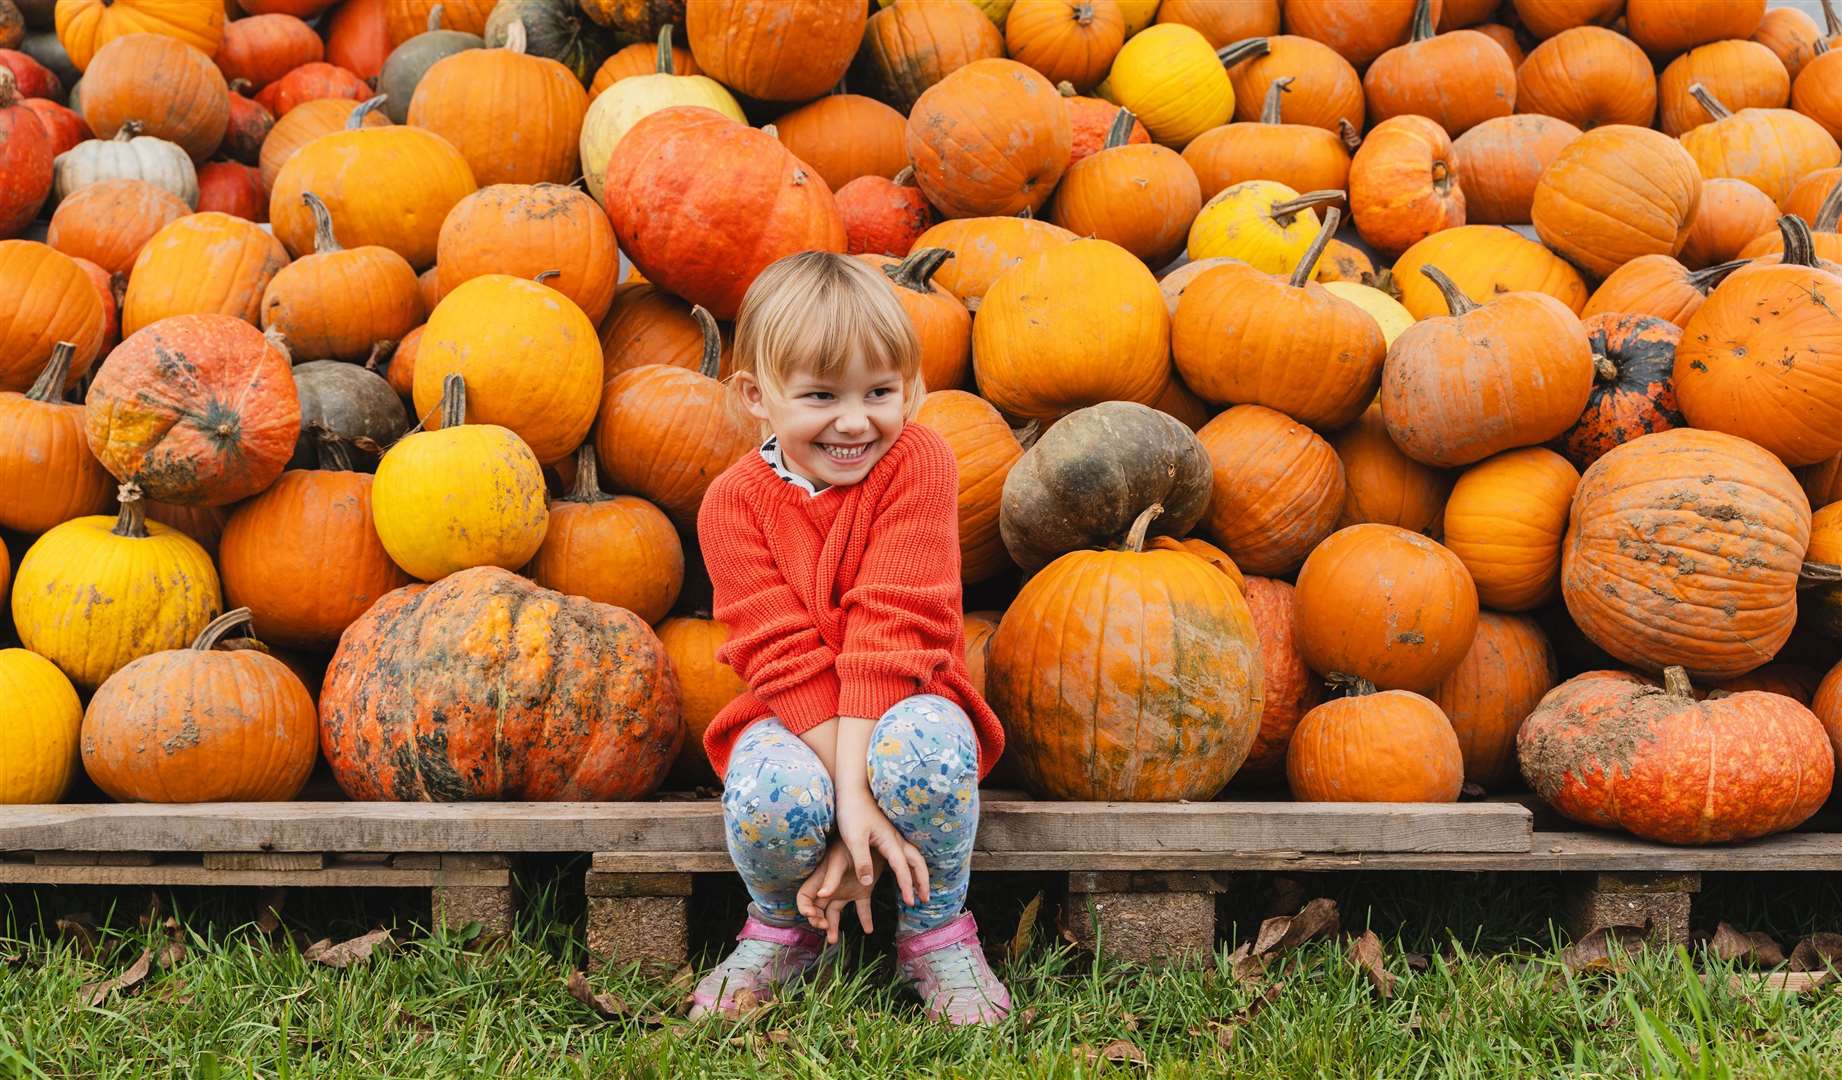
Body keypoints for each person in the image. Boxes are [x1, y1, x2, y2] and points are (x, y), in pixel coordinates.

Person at [687, 251, 1010, 1026]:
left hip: (907, 699)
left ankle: (936, 933)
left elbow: (891, 630)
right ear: (756, 397)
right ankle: (785, 924)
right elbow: (782, 657)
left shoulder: (919, 462)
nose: (855, 420)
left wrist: (859, 798)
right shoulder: (731, 506)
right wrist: (845, 805)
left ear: (914, 389)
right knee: (771, 792)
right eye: (820, 396)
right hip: (794, 716)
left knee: (925, 752)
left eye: (879, 392)